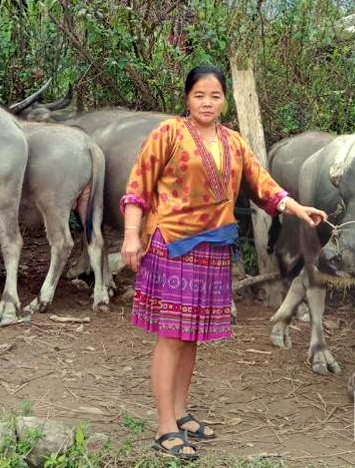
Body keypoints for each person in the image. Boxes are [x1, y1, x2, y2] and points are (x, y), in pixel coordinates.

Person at [120, 64, 326, 461]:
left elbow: (262, 184)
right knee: (171, 335)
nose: (207, 102)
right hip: (173, 244)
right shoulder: (168, 134)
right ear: (187, 99)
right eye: (199, 95)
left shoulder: (234, 142)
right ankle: (164, 428)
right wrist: (132, 234)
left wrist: (297, 208)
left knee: (191, 334)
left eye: (215, 95)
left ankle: (180, 413)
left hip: (214, 249)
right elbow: (138, 187)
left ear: (225, 100)